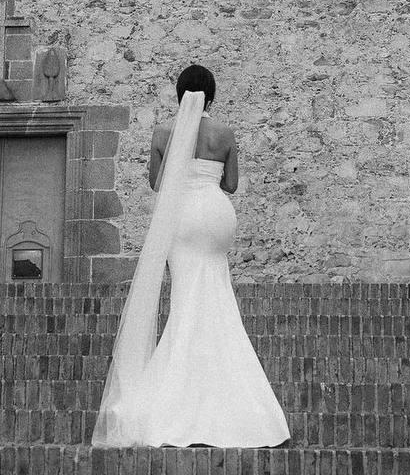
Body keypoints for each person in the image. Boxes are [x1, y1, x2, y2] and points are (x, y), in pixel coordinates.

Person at [91, 64, 290, 448]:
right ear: (211, 96)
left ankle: (179, 391)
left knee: (186, 298)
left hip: (182, 216)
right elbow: (231, 184)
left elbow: (156, 183)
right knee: (215, 290)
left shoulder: (163, 132)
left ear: (179, 94)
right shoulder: (225, 134)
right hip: (216, 215)